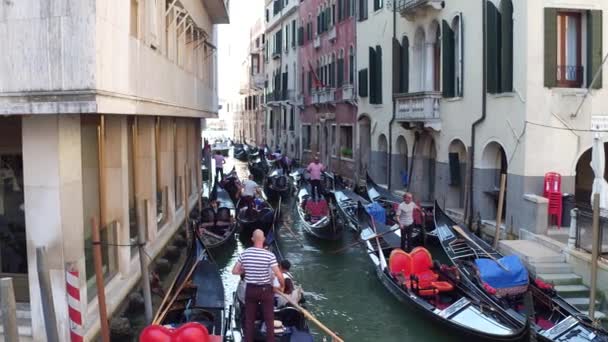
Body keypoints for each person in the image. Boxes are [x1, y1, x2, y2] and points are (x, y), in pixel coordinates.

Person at [232, 229, 285, 342]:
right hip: (266, 291)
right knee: (269, 320)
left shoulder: (245, 253)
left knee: (249, 320)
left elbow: (235, 271)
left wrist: (245, 269)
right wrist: (282, 286)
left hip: (250, 290)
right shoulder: (269, 255)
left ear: (252, 239)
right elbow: (279, 275)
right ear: (264, 239)